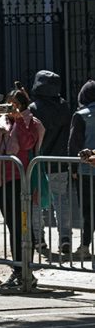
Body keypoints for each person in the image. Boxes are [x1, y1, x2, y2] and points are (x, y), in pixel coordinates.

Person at [0, 83, 41, 288]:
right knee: (11, 224)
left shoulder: (29, 121)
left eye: (16, 104)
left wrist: (20, 122)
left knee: (21, 225)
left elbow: (27, 144)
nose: (12, 107)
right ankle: (19, 268)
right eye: (9, 104)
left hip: (20, 177)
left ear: (23, 106)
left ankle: (23, 270)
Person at [29, 70, 74, 256]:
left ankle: (39, 239)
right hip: (59, 161)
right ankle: (65, 238)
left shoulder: (33, 108)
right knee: (61, 200)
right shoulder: (64, 107)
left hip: (37, 163)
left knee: (36, 202)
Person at [68, 80, 95, 259]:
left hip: (86, 171)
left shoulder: (81, 115)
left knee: (87, 210)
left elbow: (74, 145)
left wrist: (73, 170)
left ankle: (85, 245)